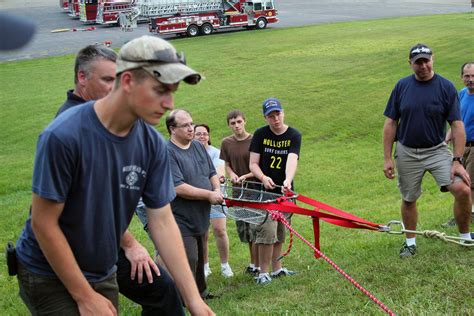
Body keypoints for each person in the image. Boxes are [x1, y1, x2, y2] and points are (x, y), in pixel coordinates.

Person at [15, 35, 214, 315]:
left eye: (173, 91)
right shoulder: (63, 136)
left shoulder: (152, 145)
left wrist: (193, 299)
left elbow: (163, 222)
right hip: (48, 272)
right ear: (129, 81)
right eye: (160, 90)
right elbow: (44, 223)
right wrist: (84, 296)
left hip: (102, 267)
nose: (169, 104)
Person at [55, 43, 184, 315]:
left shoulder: (116, 124)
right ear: (82, 78)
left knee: (163, 291)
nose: (113, 88)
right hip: (74, 246)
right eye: (106, 80)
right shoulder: (71, 125)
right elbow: (94, 202)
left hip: (105, 242)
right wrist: (130, 244)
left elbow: (161, 217)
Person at [383, 43, 473, 258]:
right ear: (411, 64)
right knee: (409, 198)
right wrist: (387, 158)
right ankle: (410, 242)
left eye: (426, 60)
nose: (423, 66)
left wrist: (457, 160)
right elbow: (390, 123)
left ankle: (465, 236)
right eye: (418, 62)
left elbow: (457, 125)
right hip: (407, 151)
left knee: (462, 190)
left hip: (436, 150)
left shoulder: (446, 87)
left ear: (432, 59)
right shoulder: (402, 86)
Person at [166, 109, 224, 298]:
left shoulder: (198, 146)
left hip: (201, 212)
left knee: (199, 257)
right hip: (179, 216)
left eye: (192, 123)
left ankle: (201, 292)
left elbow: (211, 172)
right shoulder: (168, 152)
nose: (192, 129)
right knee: (188, 258)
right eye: (186, 125)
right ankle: (183, 299)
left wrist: (216, 190)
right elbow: (178, 187)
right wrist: (209, 195)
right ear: (172, 129)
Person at [249, 98, 302, 285]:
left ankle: (277, 269)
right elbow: (253, 163)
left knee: (280, 231)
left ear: (283, 112)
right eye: (271, 116)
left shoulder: (294, 135)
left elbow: (292, 158)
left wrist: (287, 179)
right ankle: (263, 273)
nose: (275, 119)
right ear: (265, 118)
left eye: (277, 114)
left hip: (284, 193)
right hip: (264, 194)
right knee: (266, 232)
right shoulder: (260, 134)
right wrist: (263, 178)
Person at [220, 109, 259, 275]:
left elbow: (260, 165)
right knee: (246, 230)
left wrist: (246, 175)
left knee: (258, 228)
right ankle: (253, 263)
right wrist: (233, 174)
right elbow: (227, 164)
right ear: (229, 125)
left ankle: (260, 265)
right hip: (238, 193)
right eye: (232, 123)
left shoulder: (255, 140)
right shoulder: (226, 143)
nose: (236, 126)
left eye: (239, 122)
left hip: (257, 190)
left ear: (245, 121)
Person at [194, 124, 234, 278]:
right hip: (198, 196)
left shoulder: (216, 153)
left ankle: (225, 265)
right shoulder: (189, 153)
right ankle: (205, 266)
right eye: (198, 134)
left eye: (204, 134)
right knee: (202, 233)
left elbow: (219, 173)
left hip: (217, 195)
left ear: (209, 137)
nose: (202, 136)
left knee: (220, 230)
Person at [442, 62, 474, 228]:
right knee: (462, 181)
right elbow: (456, 122)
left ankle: (466, 216)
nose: (471, 79)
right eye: (467, 76)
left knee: (469, 183)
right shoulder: (461, 94)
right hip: (461, 147)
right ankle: (464, 214)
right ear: (461, 77)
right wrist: (446, 139)